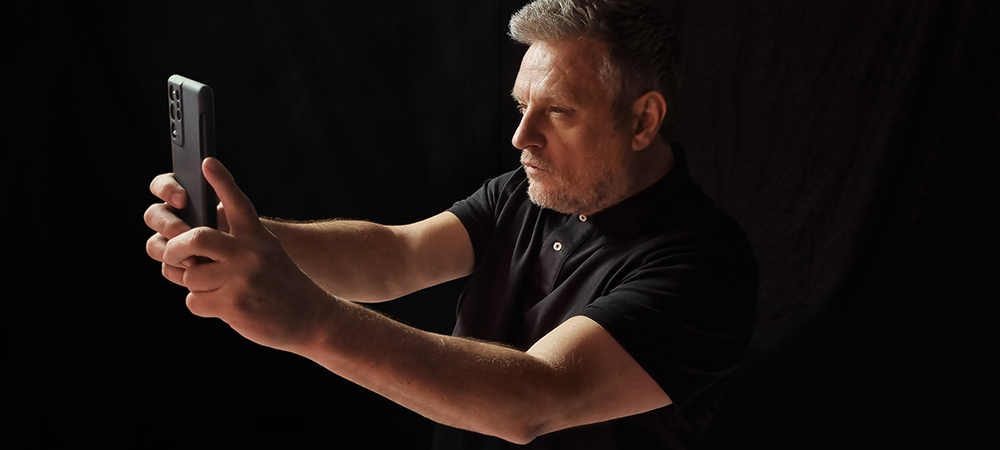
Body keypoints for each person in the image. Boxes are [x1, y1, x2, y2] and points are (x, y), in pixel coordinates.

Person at [144, 0, 757, 448]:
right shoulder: (528, 190)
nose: (522, 138)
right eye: (522, 107)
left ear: (644, 120)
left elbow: (533, 400)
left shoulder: (703, 268)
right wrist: (240, 234)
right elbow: (398, 254)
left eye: (559, 112)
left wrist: (309, 320)